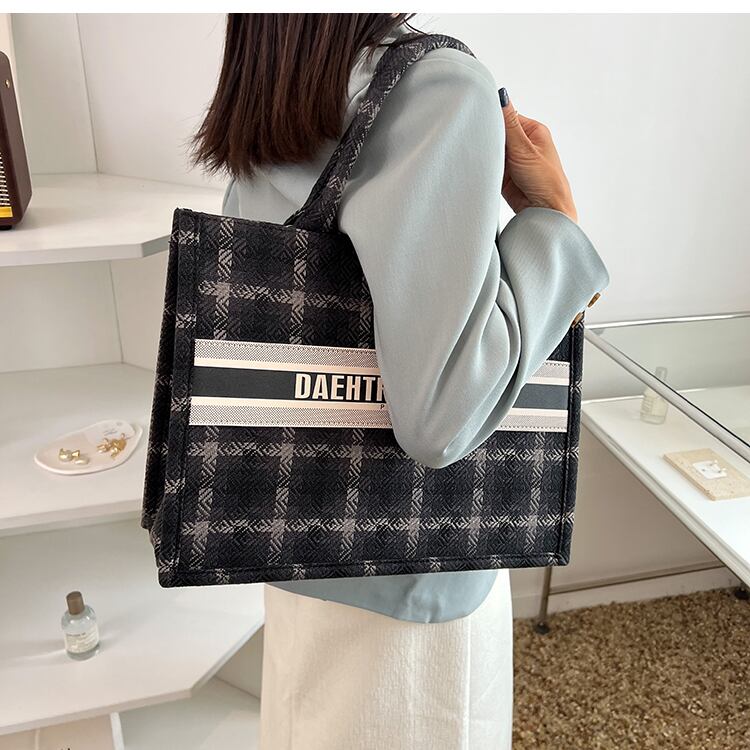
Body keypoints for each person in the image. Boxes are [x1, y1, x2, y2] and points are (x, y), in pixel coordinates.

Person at [192, 13, 608, 750]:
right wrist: (555, 222)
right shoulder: (434, 88)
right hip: (413, 581)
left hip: (296, 546)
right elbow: (442, 417)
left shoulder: (278, 88)